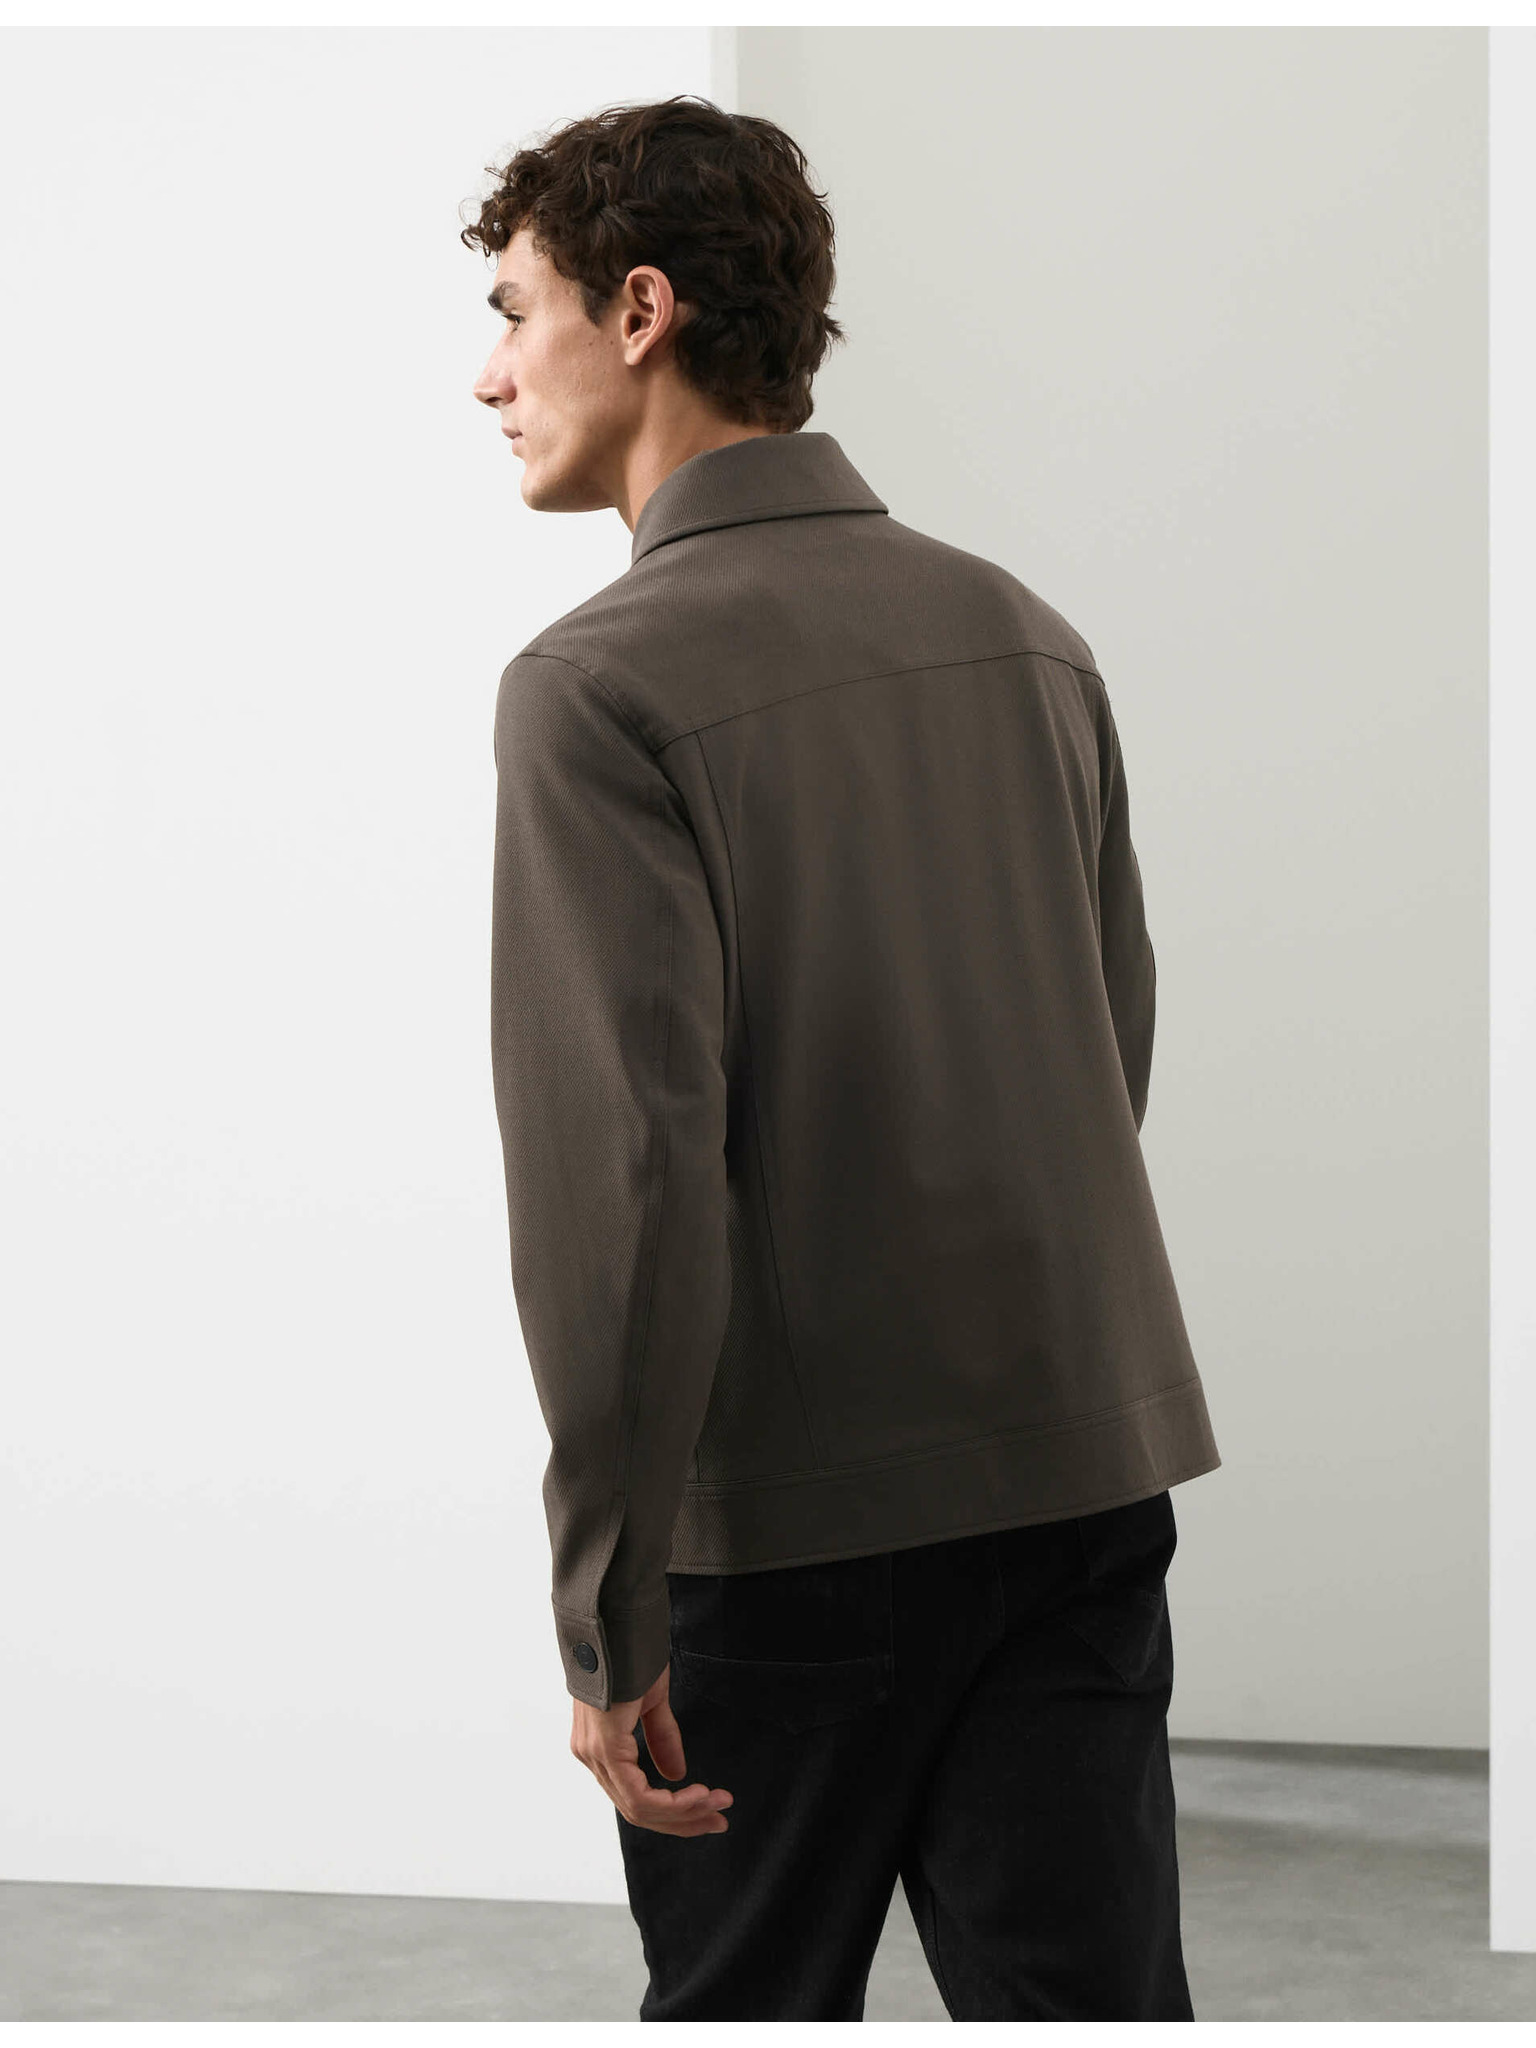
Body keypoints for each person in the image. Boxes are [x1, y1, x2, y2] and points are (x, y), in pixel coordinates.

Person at [465, 93, 1221, 2023]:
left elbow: (629, 1194)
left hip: (790, 1540)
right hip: (1076, 1480)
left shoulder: (595, 690)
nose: (490, 376)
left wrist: (608, 1608)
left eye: (516, 312)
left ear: (640, 313)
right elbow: (1101, 1052)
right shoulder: (1025, 635)